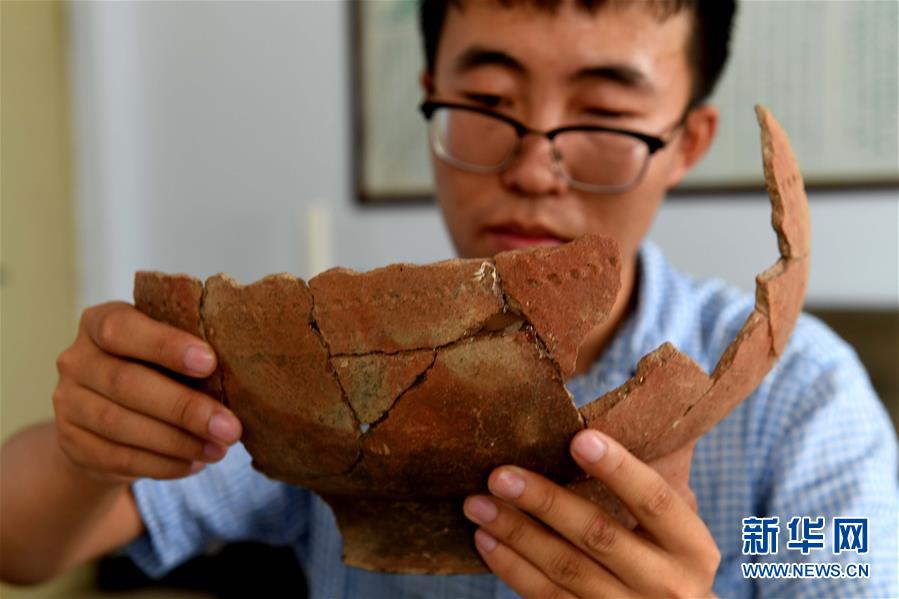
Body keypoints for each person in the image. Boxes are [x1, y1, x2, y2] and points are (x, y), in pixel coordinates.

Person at [1, 0, 896, 597]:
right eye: (488, 100)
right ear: (431, 99)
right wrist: (93, 445)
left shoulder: (792, 395)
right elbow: (21, 542)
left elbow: (833, 558)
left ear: (687, 140)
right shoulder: (327, 376)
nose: (533, 166)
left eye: (602, 115)